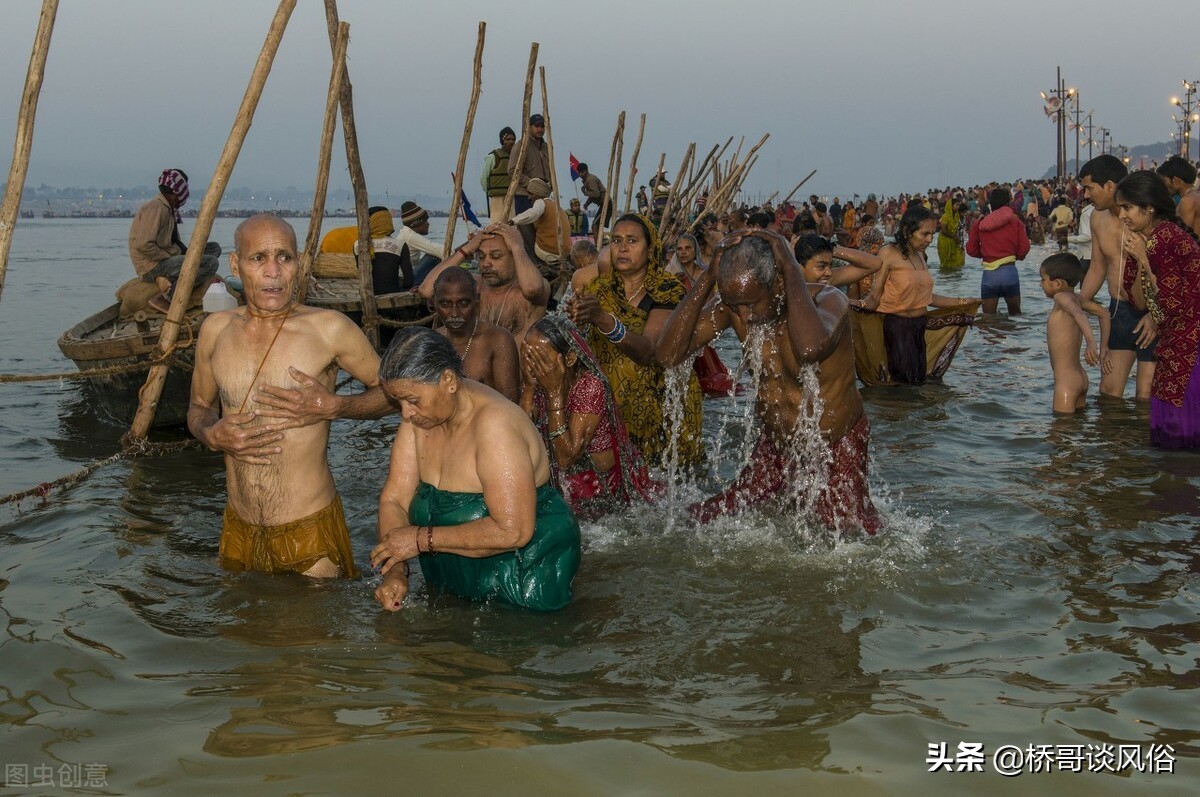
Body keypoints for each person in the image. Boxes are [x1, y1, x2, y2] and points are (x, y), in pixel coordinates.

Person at [188, 215, 392, 579]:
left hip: (309, 529)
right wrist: (210, 433)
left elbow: (397, 394)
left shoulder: (329, 329)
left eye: (284, 257)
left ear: (298, 263)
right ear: (235, 264)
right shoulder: (215, 330)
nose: (273, 272)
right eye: (258, 258)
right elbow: (199, 407)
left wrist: (335, 406)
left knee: (316, 616)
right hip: (239, 525)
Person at [657, 230, 881, 534]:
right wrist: (708, 277)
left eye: (751, 305)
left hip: (834, 444)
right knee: (710, 517)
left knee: (848, 531)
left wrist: (790, 266)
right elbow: (669, 354)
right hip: (775, 444)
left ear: (777, 282)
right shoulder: (737, 306)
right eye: (735, 306)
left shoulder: (828, 299)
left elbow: (810, 349)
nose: (744, 315)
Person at [371, 327, 581, 612]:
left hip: (523, 576)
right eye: (399, 402)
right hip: (457, 576)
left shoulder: (496, 427)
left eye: (413, 400)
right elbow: (395, 499)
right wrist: (396, 569)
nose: (405, 413)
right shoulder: (419, 420)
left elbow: (513, 531)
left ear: (448, 381)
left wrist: (419, 539)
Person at [566, 213, 704, 468]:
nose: (622, 248)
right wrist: (575, 320)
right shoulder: (597, 289)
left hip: (657, 407)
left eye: (632, 241)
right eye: (616, 240)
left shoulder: (668, 289)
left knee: (656, 480)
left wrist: (602, 319)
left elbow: (650, 352)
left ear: (650, 250)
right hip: (608, 406)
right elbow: (580, 347)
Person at [520, 315, 654, 514]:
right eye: (529, 357)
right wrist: (529, 387)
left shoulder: (590, 386)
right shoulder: (538, 378)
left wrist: (554, 394)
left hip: (604, 494)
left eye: (541, 359)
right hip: (568, 488)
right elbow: (520, 436)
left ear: (570, 358)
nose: (534, 366)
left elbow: (565, 459)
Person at [1113, 171, 1200, 447]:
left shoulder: (1167, 238)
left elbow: (1173, 303)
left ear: (1149, 207)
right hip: (1172, 345)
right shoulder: (1144, 239)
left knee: (1181, 436)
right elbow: (1137, 301)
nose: (1121, 216)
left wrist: (1144, 259)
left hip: (1190, 349)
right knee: (1167, 436)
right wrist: (1141, 259)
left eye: (1127, 208)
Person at [863, 206, 978, 383]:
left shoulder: (920, 256)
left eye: (932, 233)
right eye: (925, 234)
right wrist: (853, 305)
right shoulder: (888, 253)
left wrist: (963, 301)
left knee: (917, 382)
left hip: (919, 327)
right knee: (904, 384)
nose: (930, 239)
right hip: (897, 329)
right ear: (907, 231)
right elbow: (874, 296)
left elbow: (927, 298)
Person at [1077, 155, 1152, 399]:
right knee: (1109, 393)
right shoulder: (1096, 218)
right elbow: (1098, 267)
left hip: (1152, 313)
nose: (1086, 195)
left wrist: (1157, 314)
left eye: (1089, 188)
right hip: (1119, 310)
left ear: (1109, 185)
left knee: (1145, 395)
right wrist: (1079, 302)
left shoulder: (1146, 214)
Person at [419, 223, 550, 340]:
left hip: (517, 360)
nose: (486, 263)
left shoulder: (535, 287)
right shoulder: (474, 285)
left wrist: (517, 246)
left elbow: (532, 289)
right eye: (481, 257)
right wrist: (467, 249)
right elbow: (426, 290)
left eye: (496, 256)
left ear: (515, 257)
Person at [128, 168, 220, 313]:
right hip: (153, 266)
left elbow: (173, 241)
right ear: (177, 192)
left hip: (167, 258)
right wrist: (169, 256)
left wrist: (187, 253)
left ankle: (170, 279)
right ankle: (170, 294)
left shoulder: (167, 209)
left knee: (214, 248)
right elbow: (143, 245)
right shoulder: (156, 207)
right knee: (211, 263)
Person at [431, 267, 520, 402]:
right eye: (446, 304)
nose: (454, 313)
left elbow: (510, 405)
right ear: (434, 302)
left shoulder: (498, 340)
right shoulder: (431, 341)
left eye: (463, 303)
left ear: (476, 301)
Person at [1039, 253, 1112, 413]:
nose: (1040, 284)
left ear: (1058, 283)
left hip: (1066, 383)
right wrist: (1104, 347)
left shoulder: (1061, 298)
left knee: (1061, 425)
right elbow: (1105, 314)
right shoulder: (1076, 298)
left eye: (1043, 279)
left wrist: (1091, 343)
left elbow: (1078, 314)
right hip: (1081, 378)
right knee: (1077, 424)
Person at [966, 186, 1029, 315]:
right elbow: (1024, 247)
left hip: (989, 275)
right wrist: (1015, 256)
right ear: (1007, 204)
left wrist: (985, 253)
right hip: (1009, 272)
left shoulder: (980, 223)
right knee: (1016, 316)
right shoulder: (1015, 222)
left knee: (988, 318)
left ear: (991, 204)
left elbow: (971, 249)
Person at [510, 178, 573, 272]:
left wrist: (513, 221)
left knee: (523, 223)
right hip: (564, 252)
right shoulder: (556, 206)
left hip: (548, 251)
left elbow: (533, 213)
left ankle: (534, 263)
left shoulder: (541, 202)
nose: (529, 198)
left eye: (531, 194)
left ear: (538, 194)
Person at [507, 113, 550, 216]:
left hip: (543, 196)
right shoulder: (521, 146)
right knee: (526, 225)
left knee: (542, 225)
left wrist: (549, 186)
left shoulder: (546, 147)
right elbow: (512, 170)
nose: (540, 129)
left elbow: (550, 170)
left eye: (542, 126)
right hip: (525, 195)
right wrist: (531, 184)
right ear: (529, 127)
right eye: (537, 126)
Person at [395, 202, 445, 286]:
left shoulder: (405, 233)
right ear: (417, 223)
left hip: (404, 278)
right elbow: (442, 251)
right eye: (425, 221)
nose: (428, 224)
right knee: (434, 256)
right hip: (406, 281)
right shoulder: (410, 236)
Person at [1157, 155, 1200, 238]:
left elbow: (1184, 237)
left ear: (1175, 180)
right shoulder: (1195, 195)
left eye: (1164, 181)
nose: (1163, 185)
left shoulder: (1187, 201)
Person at [479, 126, 515, 222]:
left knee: (511, 225)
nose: (511, 142)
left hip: (511, 197)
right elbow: (483, 178)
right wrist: (490, 191)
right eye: (508, 139)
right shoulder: (493, 157)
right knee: (496, 224)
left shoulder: (516, 157)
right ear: (502, 141)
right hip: (497, 199)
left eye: (513, 139)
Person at [576, 162, 612, 230]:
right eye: (579, 172)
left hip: (606, 204)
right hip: (603, 204)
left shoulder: (590, 179)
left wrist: (585, 192)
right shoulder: (586, 180)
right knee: (596, 225)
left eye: (582, 172)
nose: (580, 174)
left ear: (586, 171)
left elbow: (596, 194)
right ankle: (599, 237)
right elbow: (592, 196)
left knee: (595, 225)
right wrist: (586, 204)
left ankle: (598, 237)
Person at [936, 197, 966, 269]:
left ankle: (955, 276)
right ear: (951, 206)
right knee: (945, 263)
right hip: (944, 241)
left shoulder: (957, 215)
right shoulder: (945, 216)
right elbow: (943, 230)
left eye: (959, 205)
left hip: (953, 240)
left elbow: (957, 229)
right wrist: (954, 237)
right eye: (956, 205)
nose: (958, 207)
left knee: (958, 261)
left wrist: (958, 238)